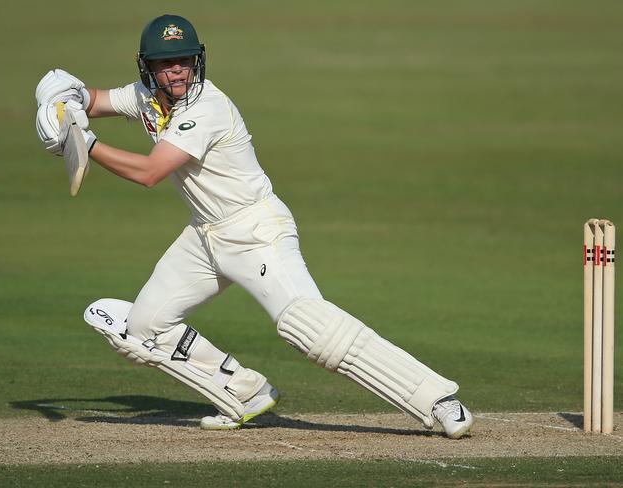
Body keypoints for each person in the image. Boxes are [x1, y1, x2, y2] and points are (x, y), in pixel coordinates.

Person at [35, 14, 474, 438]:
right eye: (166, 64)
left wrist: (85, 143)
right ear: (148, 68)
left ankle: (437, 399)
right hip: (205, 236)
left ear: (197, 61)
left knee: (307, 328)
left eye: (184, 61)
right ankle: (244, 393)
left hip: (256, 231)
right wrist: (62, 101)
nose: (177, 72)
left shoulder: (207, 106)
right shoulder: (146, 95)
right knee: (145, 330)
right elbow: (94, 100)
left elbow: (151, 172)